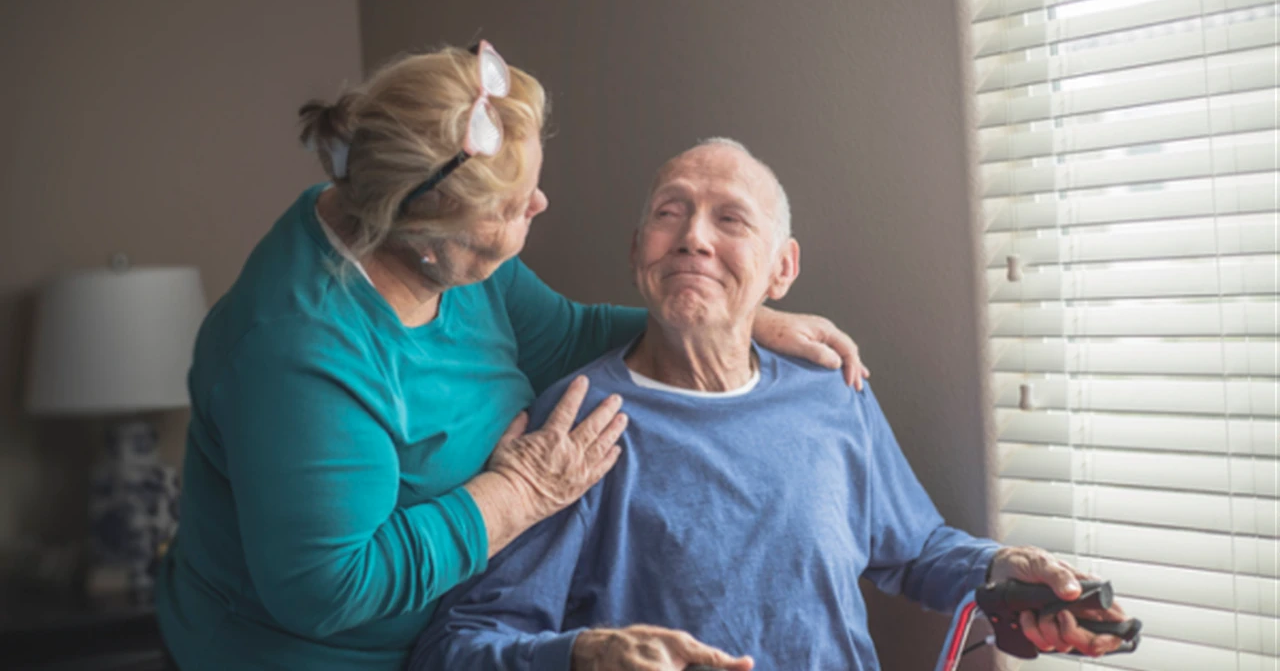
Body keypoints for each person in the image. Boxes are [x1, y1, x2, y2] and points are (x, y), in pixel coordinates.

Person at [154, 43, 869, 671]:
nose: (539, 204)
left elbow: (565, 333)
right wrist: (515, 497)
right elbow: (331, 586)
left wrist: (739, 316)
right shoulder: (298, 351)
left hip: (458, 639)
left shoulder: (419, 235)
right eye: (512, 205)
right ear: (425, 233)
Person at [412, 139, 1131, 671]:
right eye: (672, 213)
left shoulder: (833, 396)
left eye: (730, 219)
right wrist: (584, 654)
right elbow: (459, 646)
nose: (694, 237)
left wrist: (1007, 571)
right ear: (639, 251)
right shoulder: (575, 430)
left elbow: (914, 548)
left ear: (782, 269)